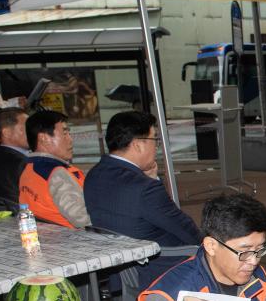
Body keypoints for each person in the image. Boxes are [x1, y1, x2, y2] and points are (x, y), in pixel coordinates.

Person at [137, 193, 266, 301]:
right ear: (211, 246)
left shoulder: (257, 280)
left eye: (260, 249)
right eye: (243, 252)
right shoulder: (168, 297)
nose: (254, 261)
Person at [85, 111, 201, 289]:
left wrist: (150, 178)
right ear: (138, 145)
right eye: (155, 140)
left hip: (120, 269)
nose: (157, 147)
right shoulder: (143, 188)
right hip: (160, 267)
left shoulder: (94, 175)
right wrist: (207, 244)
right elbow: (182, 226)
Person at [18, 110, 89, 228]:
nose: (70, 139)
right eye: (65, 133)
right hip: (72, 239)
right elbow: (83, 220)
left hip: (47, 237)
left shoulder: (28, 168)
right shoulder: (56, 174)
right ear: (44, 138)